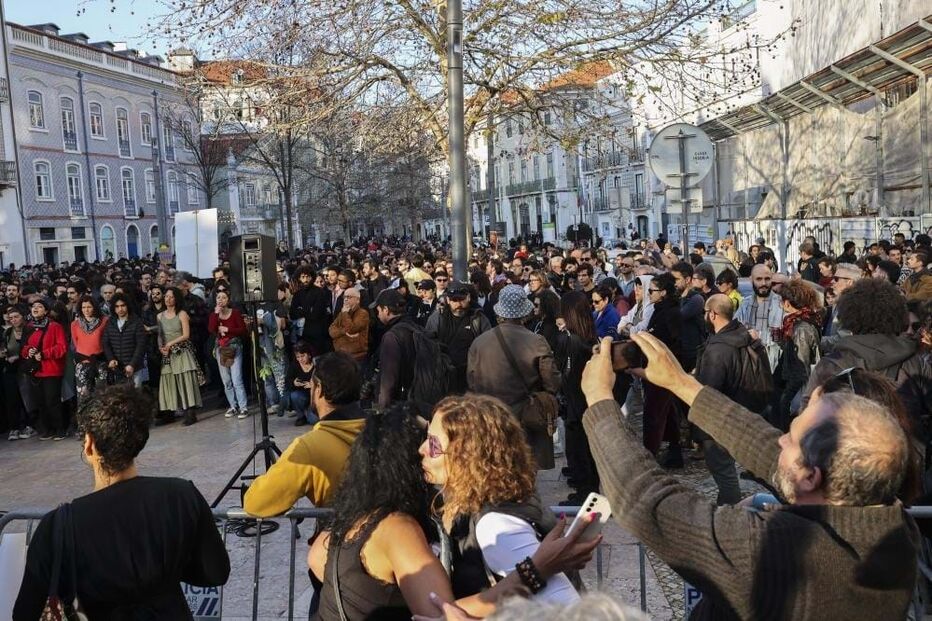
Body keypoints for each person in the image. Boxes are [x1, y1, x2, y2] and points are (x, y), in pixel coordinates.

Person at [580, 331, 917, 621]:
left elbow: (649, 500)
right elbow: (764, 445)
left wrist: (599, 400)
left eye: (790, 438)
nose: (780, 440)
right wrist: (680, 383)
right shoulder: (892, 526)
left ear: (811, 477)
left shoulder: (778, 552)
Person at [310, 402, 594, 621]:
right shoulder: (419, 520)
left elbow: (570, 612)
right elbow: (441, 613)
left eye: (433, 443)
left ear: (466, 456)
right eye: (424, 439)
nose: (422, 450)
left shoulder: (496, 524)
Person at [12, 385, 230, 620]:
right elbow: (216, 572)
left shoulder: (57, 527)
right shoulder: (181, 495)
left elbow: (25, 612)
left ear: (89, 444)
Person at [803, 278, 932, 433]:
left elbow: (807, 417)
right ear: (897, 316)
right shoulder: (915, 362)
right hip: (904, 444)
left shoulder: (831, 364)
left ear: (849, 317)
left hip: (848, 444)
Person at [245, 351, 367, 515]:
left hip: (344, 529)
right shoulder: (386, 430)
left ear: (319, 389)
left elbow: (256, 503)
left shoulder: (310, 447)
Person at [467, 284, 561, 469]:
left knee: (495, 467)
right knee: (525, 468)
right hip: (525, 416)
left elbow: (472, 381)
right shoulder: (537, 341)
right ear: (524, 312)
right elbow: (552, 381)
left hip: (490, 416)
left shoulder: (479, 343)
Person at [694, 294, 773, 504]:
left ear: (712, 314)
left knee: (724, 473)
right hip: (744, 410)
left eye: (705, 313)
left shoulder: (718, 349)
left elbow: (708, 390)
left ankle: (729, 513)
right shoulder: (745, 336)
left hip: (720, 418)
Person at [555, 291, 600, 505]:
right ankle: (587, 490)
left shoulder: (573, 340)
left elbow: (568, 373)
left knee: (579, 450)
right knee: (584, 450)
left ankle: (586, 494)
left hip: (577, 403)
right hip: (585, 401)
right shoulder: (588, 337)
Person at [641, 273, 684, 464]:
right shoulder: (659, 309)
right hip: (657, 366)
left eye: (652, 291)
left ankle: (650, 454)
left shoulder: (670, 312)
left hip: (662, 368)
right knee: (666, 410)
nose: (649, 294)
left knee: (654, 411)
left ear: (664, 292)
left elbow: (673, 341)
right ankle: (674, 451)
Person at [772, 280, 822, 431]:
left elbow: (801, 366)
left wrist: (787, 396)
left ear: (787, 303)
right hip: (792, 382)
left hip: (797, 387)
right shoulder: (798, 321)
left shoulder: (801, 328)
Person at [157, 287, 202, 427]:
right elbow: (160, 334)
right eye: (166, 296)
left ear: (176, 299)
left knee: (186, 381)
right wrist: (161, 348)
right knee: (169, 382)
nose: (168, 299)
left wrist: (170, 344)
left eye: (171, 297)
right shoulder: (160, 316)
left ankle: (190, 413)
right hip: (168, 354)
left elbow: (186, 335)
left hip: (182, 352)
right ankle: (169, 413)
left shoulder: (182, 314)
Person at [22, 299, 67, 440]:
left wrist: (45, 354)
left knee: (52, 400)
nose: (35, 308)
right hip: (36, 370)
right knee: (40, 401)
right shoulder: (29, 326)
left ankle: (60, 429)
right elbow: (24, 347)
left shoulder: (55, 326)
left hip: (51, 369)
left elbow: (62, 347)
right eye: (33, 306)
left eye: (39, 306)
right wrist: (28, 351)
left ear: (46, 311)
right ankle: (48, 429)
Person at [372, 288, 420, 409]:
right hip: (414, 399)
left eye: (378, 311)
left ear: (386, 310)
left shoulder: (392, 336)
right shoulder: (413, 326)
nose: (378, 315)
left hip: (400, 403)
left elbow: (388, 381)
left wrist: (380, 410)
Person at [208, 288, 250, 418]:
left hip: (234, 347)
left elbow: (242, 330)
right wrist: (216, 314)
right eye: (218, 298)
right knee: (226, 380)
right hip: (221, 349)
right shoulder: (214, 314)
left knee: (236, 378)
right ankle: (233, 406)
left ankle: (243, 407)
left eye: (223, 297)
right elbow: (211, 329)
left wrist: (228, 329)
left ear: (228, 300)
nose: (221, 300)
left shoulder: (235, 313)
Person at [735, 264, 784, 372]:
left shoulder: (781, 304)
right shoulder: (745, 304)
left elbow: (786, 338)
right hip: (749, 366)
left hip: (773, 367)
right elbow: (735, 330)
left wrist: (760, 337)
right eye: (759, 279)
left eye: (767, 279)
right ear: (751, 280)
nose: (763, 283)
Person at [3, 305, 36, 440]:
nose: (14, 320)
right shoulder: (7, 333)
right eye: (11, 318)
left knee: (27, 398)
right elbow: (5, 347)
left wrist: (19, 357)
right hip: (11, 369)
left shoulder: (30, 330)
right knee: (12, 399)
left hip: (26, 368)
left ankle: (30, 425)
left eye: (16, 317)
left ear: (22, 317)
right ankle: (14, 428)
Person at [102, 293, 147, 388]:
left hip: (135, 368)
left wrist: (132, 364)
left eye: (123, 305)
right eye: (117, 306)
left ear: (128, 306)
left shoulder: (137, 322)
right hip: (117, 369)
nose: (120, 309)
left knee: (136, 395)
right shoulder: (110, 322)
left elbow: (141, 346)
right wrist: (111, 359)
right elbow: (106, 343)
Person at [71, 295, 109, 404]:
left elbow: (107, 342)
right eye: (83, 307)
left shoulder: (104, 321)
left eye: (89, 307)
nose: (86, 310)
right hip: (82, 363)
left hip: (100, 362)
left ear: (94, 307)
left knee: (102, 396)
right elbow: (76, 343)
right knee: (83, 396)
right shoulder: (75, 324)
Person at [328, 286, 369, 363]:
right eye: (344, 297)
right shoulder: (343, 313)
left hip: (356, 357)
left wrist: (345, 314)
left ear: (357, 300)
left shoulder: (363, 313)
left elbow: (351, 329)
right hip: (340, 354)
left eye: (349, 297)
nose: (345, 299)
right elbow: (331, 331)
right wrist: (344, 331)